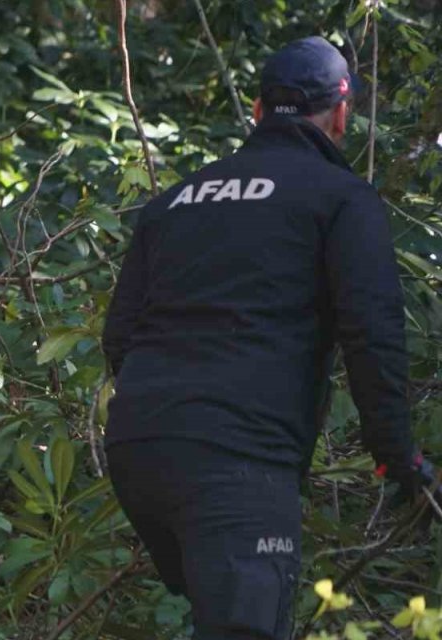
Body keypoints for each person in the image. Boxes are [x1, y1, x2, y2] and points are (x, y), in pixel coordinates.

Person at [102, 37, 433, 639]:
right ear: (341, 113)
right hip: (239, 461)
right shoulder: (341, 199)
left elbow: (119, 337)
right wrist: (398, 459)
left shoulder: (174, 201)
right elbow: (372, 337)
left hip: (138, 446)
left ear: (257, 111)